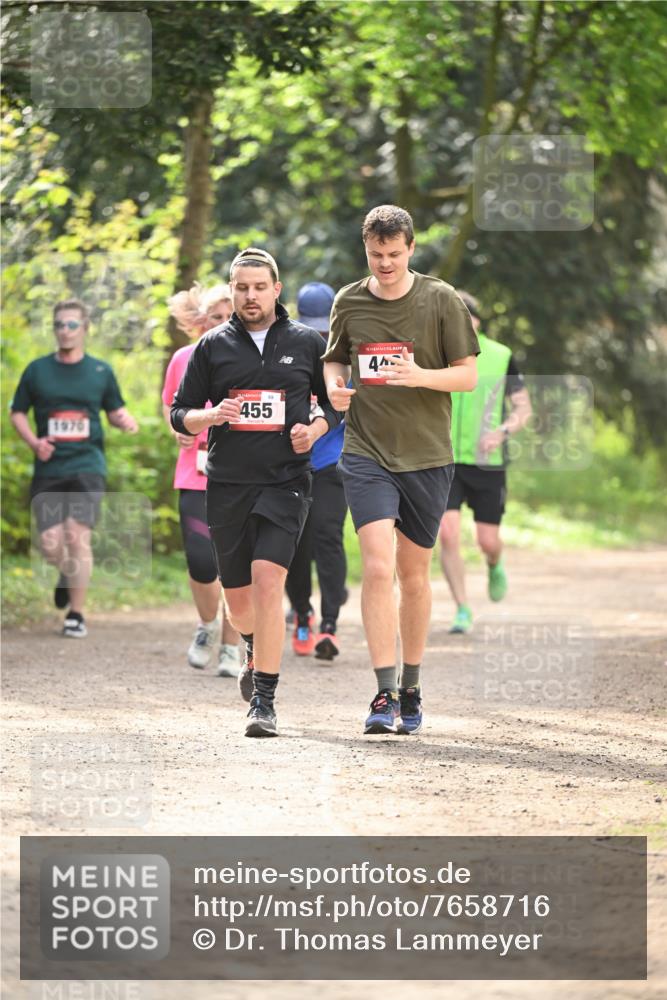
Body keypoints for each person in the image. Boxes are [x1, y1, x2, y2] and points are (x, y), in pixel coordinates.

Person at [170, 248, 340, 737]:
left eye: (259, 287)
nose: (250, 295)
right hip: (227, 485)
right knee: (239, 599)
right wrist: (208, 417)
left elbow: (333, 402)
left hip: (286, 481)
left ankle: (263, 700)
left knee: (269, 584)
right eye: (241, 287)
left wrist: (317, 426)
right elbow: (180, 411)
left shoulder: (307, 343)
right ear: (233, 288)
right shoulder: (212, 347)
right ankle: (250, 643)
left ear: (276, 290)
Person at [323, 205, 479, 736]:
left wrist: (418, 375)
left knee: (414, 576)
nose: (385, 264)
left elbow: (467, 378)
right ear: (365, 250)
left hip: (427, 456)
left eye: (394, 255)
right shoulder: (349, 300)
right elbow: (334, 358)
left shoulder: (440, 299)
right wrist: (334, 388)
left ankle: (411, 688)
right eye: (375, 255)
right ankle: (383, 693)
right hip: (366, 452)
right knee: (377, 567)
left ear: (411, 248)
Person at [9, 298, 138, 638]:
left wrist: (123, 419)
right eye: (59, 325)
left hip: (87, 465)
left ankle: (76, 614)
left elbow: (113, 410)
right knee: (51, 542)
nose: (64, 331)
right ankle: (67, 573)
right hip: (49, 466)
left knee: (76, 536)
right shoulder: (37, 370)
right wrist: (34, 443)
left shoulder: (100, 371)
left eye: (71, 325)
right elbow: (17, 412)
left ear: (84, 329)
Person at [438, 291, 532, 633]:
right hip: (445, 459)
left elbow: (524, 409)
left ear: (477, 322)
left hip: (487, 461)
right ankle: (462, 608)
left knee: (487, 540)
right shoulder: (438, 352)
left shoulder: (502, 356)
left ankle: (494, 562)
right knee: (447, 534)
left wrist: (502, 431)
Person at [162, 281, 241, 676]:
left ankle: (231, 645)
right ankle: (207, 623)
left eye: (231, 317)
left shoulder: (250, 359)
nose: (223, 324)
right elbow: (171, 406)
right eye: (216, 317)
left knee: (234, 565)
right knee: (200, 559)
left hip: (240, 475)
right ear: (200, 322)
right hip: (194, 473)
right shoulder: (183, 358)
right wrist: (178, 430)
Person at [285, 282, 348, 661]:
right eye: (313, 327)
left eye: (325, 327)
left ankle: (330, 625)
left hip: (332, 466)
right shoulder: (289, 355)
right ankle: (303, 616)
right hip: (293, 468)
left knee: (329, 539)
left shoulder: (346, 360)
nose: (320, 335)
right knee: (295, 547)